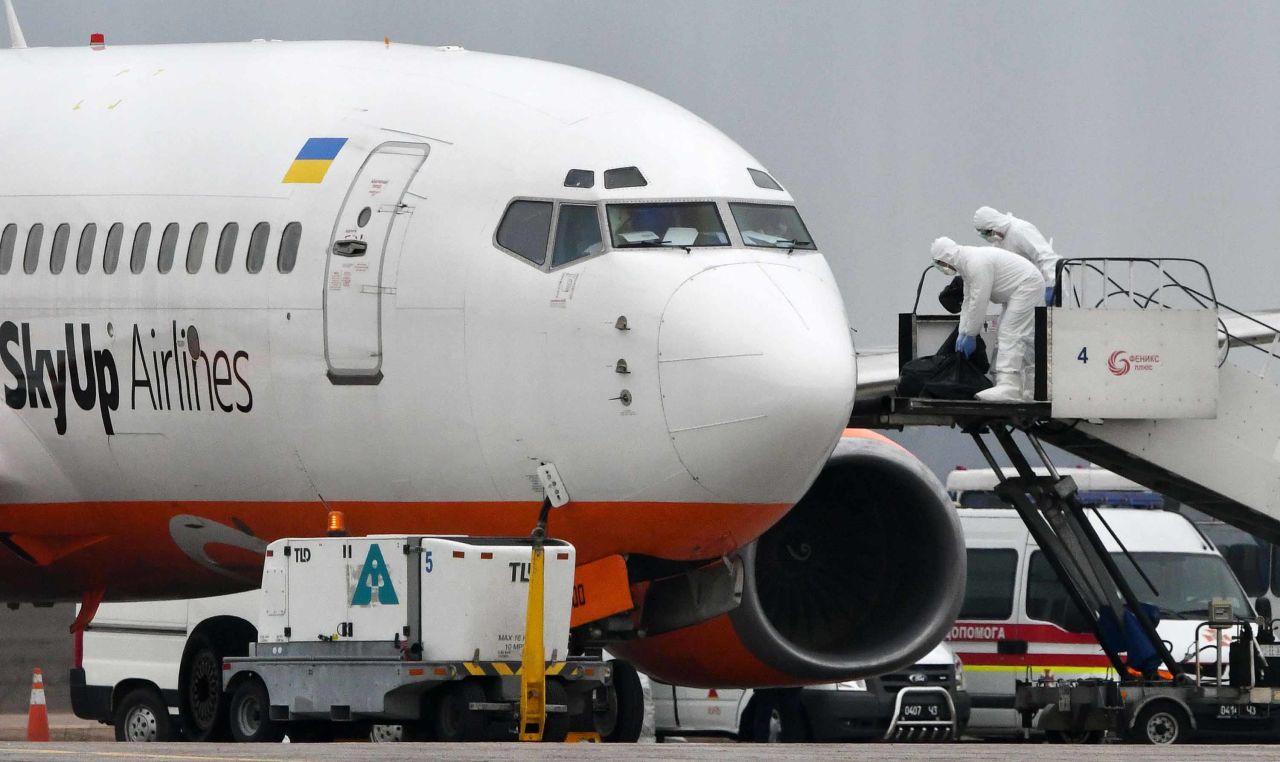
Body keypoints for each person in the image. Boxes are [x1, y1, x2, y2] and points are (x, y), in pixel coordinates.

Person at [931, 236, 1045, 402]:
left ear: (946, 257)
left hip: (1027, 286)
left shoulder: (976, 263)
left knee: (1011, 333)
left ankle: (1010, 388)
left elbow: (979, 301)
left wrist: (970, 334)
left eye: (940, 264)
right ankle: (1012, 384)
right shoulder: (967, 265)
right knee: (1007, 333)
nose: (942, 269)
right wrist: (962, 332)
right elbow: (968, 301)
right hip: (1018, 290)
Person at [973, 206, 1059, 304]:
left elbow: (1046, 257)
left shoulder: (1020, 230)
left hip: (1040, 286)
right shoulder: (999, 241)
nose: (989, 237)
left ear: (996, 224)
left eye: (989, 232)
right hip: (1021, 291)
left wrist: (1055, 287)